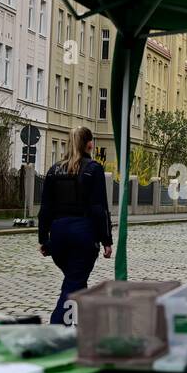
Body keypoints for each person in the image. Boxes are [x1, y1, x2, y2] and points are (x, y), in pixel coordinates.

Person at [38, 126, 112, 324]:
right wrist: (107, 240)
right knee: (73, 285)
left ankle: (83, 325)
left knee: (76, 282)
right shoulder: (93, 169)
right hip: (83, 237)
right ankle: (56, 329)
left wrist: (44, 240)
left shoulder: (54, 171)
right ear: (89, 144)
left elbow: (45, 208)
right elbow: (99, 208)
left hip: (59, 238)